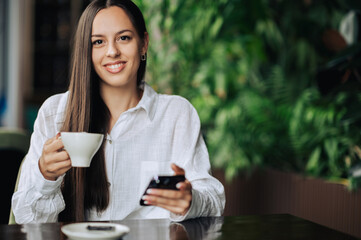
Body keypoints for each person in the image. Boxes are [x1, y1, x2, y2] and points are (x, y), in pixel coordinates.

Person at [11, 0, 225, 223]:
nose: (112, 51)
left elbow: (214, 199)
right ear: (86, 50)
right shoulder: (54, 113)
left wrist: (190, 201)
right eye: (98, 42)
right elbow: (26, 219)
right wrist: (45, 175)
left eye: (124, 38)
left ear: (143, 44)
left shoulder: (177, 114)